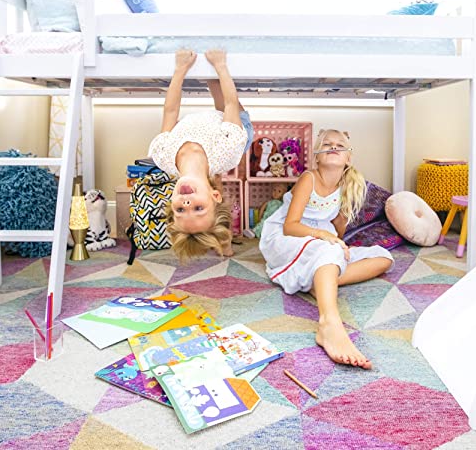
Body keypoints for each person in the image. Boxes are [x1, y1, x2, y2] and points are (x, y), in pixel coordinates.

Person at [259, 129, 394, 369]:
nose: (333, 147)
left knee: (383, 258)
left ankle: (321, 282)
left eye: (339, 145)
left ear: (348, 158)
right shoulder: (308, 179)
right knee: (329, 250)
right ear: (317, 158)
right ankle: (329, 323)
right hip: (287, 236)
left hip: (321, 240)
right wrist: (325, 237)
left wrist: (337, 240)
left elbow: (337, 229)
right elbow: (290, 226)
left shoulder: (348, 186)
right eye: (327, 144)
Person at [149, 49, 254, 261]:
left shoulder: (163, 155)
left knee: (209, 76)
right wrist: (220, 65)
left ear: (171, 202)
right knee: (218, 83)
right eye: (199, 208)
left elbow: (170, 112)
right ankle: (215, 74)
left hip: (203, 128)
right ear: (215, 196)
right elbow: (230, 104)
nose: (187, 203)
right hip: (233, 131)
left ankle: (210, 75)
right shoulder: (228, 148)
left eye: (180, 209)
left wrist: (180, 69)